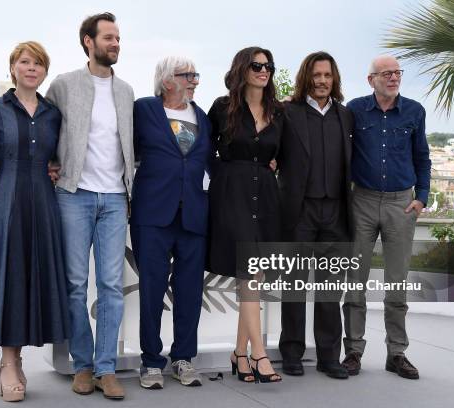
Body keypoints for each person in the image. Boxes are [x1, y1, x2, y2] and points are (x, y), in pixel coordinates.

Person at [0, 41, 69, 402]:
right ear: (13, 67)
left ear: (44, 71)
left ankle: (19, 359)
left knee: (34, 277)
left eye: (38, 63)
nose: (31, 68)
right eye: (25, 62)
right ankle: (8, 363)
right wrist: (3, 167)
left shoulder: (54, 113)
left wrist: (48, 168)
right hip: (6, 201)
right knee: (10, 277)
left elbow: (57, 155)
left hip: (43, 202)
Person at [46, 12, 134, 400]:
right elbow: (43, 126)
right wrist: (48, 163)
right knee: (75, 285)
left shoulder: (127, 91)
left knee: (112, 286)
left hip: (115, 198)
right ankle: (82, 365)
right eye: (109, 37)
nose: (116, 43)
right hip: (73, 195)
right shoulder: (64, 85)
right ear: (88, 41)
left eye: (118, 38)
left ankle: (106, 368)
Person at [342, 55, 430, 380]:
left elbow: (423, 157)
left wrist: (421, 198)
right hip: (361, 202)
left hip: (400, 205)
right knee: (355, 283)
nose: (393, 78)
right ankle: (353, 351)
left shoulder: (415, 111)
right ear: (371, 79)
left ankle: (397, 353)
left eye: (397, 73)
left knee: (396, 284)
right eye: (386, 73)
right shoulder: (354, 110)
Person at [131, 56, 212, 389]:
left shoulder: (203, 117)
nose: (194, 80)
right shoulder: (144, 110)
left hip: (194, 215)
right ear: (167, 81)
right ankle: (151, 362)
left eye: (196, 75)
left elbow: (210, 161)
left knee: (190, 291)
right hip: (153, 214)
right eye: (187, 75)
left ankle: (183, 358)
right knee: (151, 290)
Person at [207, 46, 283, 384]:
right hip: (233, 196)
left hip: (265, 197)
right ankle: (259, 354)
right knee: (250, 277)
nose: (263, 71)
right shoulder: (222, 108)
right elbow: (202, 151)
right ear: (242, 69)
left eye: (268, 66)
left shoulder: (278, 111)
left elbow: (287, 152)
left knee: (253, 278)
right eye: (256, 66)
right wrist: (222, 174)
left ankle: (239, 355)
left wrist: (277, 162)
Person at [277, 51, 354, 379]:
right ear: (306, 78)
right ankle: (292, 353)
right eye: (316, 75)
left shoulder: (345, 115)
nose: (322, 81)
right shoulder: (287, 112)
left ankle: (328, 357)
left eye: (327, 75)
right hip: (300, 212)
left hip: (336, 212)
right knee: (293, 286)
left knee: (330, 290)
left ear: (334, 78)